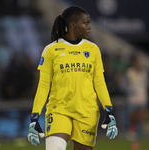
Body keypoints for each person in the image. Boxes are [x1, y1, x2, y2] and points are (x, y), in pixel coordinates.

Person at [27, 6, 118, 150]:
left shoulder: (93, 49)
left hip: (87, 112)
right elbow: (44, 86)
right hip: (59, 110)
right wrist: (35, 116)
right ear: (73, 25)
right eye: (86, 23)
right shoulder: (51, 50)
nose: (89, 27)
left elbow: (99, 83)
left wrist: (109, 111)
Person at [123, 55, 149, 150]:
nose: (138, 64)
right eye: (136, 62)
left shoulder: (144, 72)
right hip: (132, 99)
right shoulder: (129, 72)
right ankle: (131, 128)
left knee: (140, 120)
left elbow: (146, 84)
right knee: (132, 119)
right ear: (133, 63)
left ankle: (137, 141)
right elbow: (125, 84)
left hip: (142, 99)